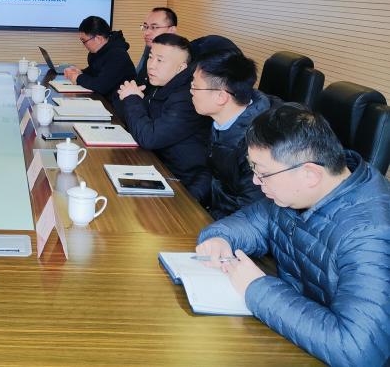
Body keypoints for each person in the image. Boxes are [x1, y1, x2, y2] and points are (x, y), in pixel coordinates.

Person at [196, 104, 390, 367]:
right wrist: (218, 238)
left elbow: (358, 350)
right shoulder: (297, 192)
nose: (255, 181)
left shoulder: (370, 235)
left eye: (262, 173)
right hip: (293, 336)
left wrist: (256, 288)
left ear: (310, 174)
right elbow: (251, 223)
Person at [116, 33, 211, 204]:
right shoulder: (160, 83)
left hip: (182, 183)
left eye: (160, 60)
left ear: (181, 68)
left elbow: (149, 137)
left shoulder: (187, 97)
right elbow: (132, 119)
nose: (151, 65)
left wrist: (132, 99)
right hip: (156, 165)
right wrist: (132, 99)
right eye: (150, 57)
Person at [191, 50, 274, 218]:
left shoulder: (258, 144)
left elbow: (252, 211)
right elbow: (213, 173)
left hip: (235, 224)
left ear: (221, 97)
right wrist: (188, 200)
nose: (191, 91)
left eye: (195, 86)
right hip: (217, 213)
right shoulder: (224, 118)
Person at [63, 16, 137, 100]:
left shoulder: (118, 55)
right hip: (104, 98)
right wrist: (80, 72)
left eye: (84, 41)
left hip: (118, 104)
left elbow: (101, 86)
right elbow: (95, 72)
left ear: (98, 39)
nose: (83, 45)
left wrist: (78, 78)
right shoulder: (99, 52)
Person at [137, 7, 177, 76]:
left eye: (154, 27)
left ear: (171, 30)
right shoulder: (150, 47)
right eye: (145, 26)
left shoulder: (178, 59)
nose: (146, 33)